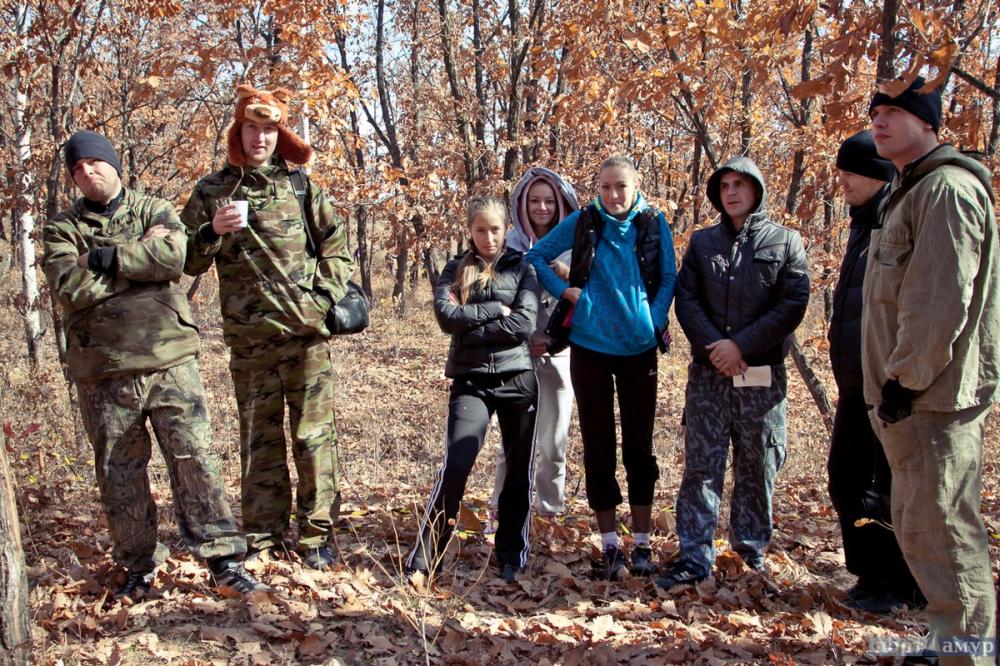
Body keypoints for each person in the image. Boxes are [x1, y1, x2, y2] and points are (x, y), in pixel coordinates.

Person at [42, 130, 266, 597]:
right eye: (78, 169)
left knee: (195, 459)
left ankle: (223, 559)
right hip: (102, 369)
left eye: (94, 163)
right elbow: (69, 288)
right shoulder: (61, 229)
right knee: (120, 473)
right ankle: (137, 565)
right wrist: (136, 266)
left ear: (114, 165)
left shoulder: (152, 209)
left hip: (170, 359)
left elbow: (173, 257)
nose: (88, 173)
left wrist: (102, 259)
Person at [181, 84, 355, 570]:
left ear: (281, 135)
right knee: (259, 441)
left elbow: (338, 250)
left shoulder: (302, 188)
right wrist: (211, 230)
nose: (260, 138)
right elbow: (186, 262)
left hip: (306, 341)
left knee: (313, 438)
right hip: (250, 343)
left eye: (270, 129)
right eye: (252, 129)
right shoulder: (213, 191)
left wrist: (318, 302)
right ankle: (262, 534)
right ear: (239, 132)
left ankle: (317, 535)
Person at [864, 76, 999, 663]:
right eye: (876, 112)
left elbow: (939, 300)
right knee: (925, 533)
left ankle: (967, 656)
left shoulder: (945, 189)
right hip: (911, 401)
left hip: (931, 400)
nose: (880, 120)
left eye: (895, 111)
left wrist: (905, 380)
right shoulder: (909, 190)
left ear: (928, 123)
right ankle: (951, 646)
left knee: (945, 538)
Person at [659, 156, 809, 590]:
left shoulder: (786, 242)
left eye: (740, 184)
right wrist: (718, 349)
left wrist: (742, 345)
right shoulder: (702, 244)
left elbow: (792, 304)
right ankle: (694, 556)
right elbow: (686, 300)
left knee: (757, 463)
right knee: (702, 466)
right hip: (709, 375)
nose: (731, 191)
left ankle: (749, 551)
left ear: (757, 190)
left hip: (760, 375)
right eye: (724, 185)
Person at [526, 155, 676, 580]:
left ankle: (642, 544)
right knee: (598, 444)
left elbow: (668, 276)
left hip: (639, 347)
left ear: (636, 186)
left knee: (639, 448)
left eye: (621, 187)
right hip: (590, 344)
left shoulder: (652, 222)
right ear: (597, 187)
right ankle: (610, 545)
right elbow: (536, 256)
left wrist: (656, 318)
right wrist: (564, 290)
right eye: (606, 187)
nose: (613, 195)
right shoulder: (584, 221)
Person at [405, 196, 539, 583]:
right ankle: (426, 558)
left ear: (506, 229)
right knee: (457, 463)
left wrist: (473, 325)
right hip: (471, 381)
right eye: (480, 229)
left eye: (495, 229)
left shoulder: (523, 267)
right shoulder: (454, 269)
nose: (488, 237)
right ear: (470, 231)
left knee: (518, 473)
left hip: (518, 381)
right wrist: (496, 311)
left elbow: (526, 324)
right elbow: (447, 318)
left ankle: (511, 556)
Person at [827, 130, 922, 613]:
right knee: (845, 477)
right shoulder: (861, 224)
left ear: (877, 173)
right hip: (853, 383)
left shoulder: (896, 222)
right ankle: (870, 575)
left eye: (849, 171)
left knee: (890, 487)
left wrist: (901, 377)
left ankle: (899, 584)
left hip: (890, 386)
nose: (840, 179)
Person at [490, 167, 579, 521]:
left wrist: (562, 272)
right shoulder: (507, 244)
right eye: (534, 201)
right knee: (512, 441)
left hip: (561, 354)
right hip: (518, 354)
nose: (541, 208)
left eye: (549, 201)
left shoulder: (576, 244)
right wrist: (527, 336)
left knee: (553, 442)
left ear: (560, 204)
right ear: (522, 204)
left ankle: (550, 512)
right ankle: (501, 511)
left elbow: (589, 294)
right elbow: (496, 297)